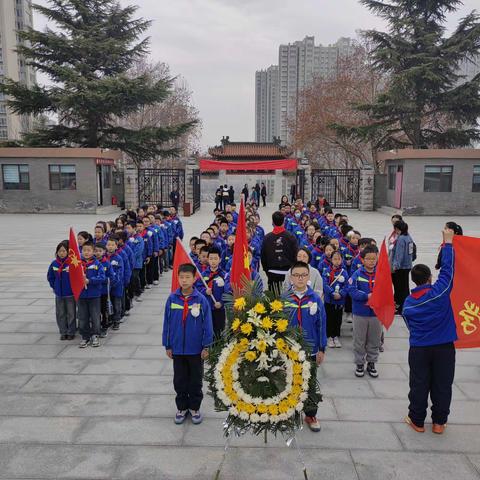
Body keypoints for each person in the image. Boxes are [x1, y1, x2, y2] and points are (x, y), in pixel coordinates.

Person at [403, 228, 456, 435]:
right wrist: (448, 243)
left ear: (414, 281)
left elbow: (409, 325)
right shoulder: (439, 292)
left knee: (419, 384)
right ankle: (439, 423)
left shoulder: (408, 304)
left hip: (419, 349)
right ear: (430, 278)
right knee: (442, 384)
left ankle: (416, 420)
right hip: (444, 347)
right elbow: (448, 270)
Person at [162, 263, 213, 425]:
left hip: (196, 350)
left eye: (187, 277)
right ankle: (182, 407)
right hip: (177, 349)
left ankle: (195, 408)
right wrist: (167, 344)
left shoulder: (201, 300)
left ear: (194, 278)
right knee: (180, 379)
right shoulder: (172, 299)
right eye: (181, 277)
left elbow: (207, 324)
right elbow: (167, 323)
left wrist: (206, 345)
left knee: (196, 380)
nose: (184, 281)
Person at [283, 261, 327, 432]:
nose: (300, 278)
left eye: (303, 275)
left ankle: (310, 414)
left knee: (309, 382)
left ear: (308, 276)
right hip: (290, 350)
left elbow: (322, 324)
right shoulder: (285, 298)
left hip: (310, 349)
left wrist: (322, 348)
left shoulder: (315, 298)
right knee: (290, 380)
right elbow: (279, 325)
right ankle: (291, 413)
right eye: (296, 275)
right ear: (291, 277)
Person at [348, 245, 382, 378]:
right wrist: (366, 296)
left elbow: (386, 291)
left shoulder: (380, 274)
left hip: (376, 314)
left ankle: (372, 363)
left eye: (374, 259)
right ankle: (359, 363)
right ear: (362, 260)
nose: (372, 261)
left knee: (375, 339)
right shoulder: (357, 274)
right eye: (368, 259)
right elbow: (351, 290)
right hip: (360, 313)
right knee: (359, 340)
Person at [261, 211, 298, 296]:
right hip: (288, 272)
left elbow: (263, 257)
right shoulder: (291, 237)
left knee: (274, 302)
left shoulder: (267, 238)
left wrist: (267, 271)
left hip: (272, 274)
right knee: (288, 299)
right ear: (284, 221)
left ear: (272, 222)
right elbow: (295, 255)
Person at [77, 241, 105, 348]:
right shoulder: (78, 264)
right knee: (82, 317)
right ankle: (85, 336)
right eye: (84, 250)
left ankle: (95, 335)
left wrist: (90, 280)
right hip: (82, 295)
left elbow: (102, 277)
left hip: (94, 295)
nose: (86, 253)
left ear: (93, 251)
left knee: (95, 316)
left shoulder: (97, 264)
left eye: (89, 250)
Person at [47, 240, 76, 340]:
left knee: (71, 314)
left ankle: (71, 331)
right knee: (60, 313)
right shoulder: (54, 264)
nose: (62, 253)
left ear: (68, 252)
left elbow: (76, 277)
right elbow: (50, 277)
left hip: (70, 294)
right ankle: (63, 332)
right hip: (59, 294)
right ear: (57, 252)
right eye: (60, 251)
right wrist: (55, 286)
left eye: (64, 251)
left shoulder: (72, 263)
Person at [197, 247, 226, 338]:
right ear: (208, 260)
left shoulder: (224, 275)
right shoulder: (203, 275)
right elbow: (197, 288)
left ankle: (218, 349)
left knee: (219, 331)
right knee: (207, 329)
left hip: (218, 309)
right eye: (211, 258)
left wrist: (221, 303)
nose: (213, 261)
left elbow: (227, 292)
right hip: (206, 307)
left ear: (220, 260)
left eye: (215, 259)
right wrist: (205, 291)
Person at [322, 250, 349, 348]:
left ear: (342, 260)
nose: (337, 261)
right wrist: (332, 293)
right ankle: (329, 336)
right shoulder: (326, 271)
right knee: (329, 318)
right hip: (329, 300)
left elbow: (347, 285)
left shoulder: (344, 272)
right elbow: (324, 284)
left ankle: (336, 336)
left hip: (340, 300)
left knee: (338, 319)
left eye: (339, 259)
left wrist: (341, 294)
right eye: (335, 259)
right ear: (331, 259)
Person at [390, 220, 414, 313]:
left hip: (400, 267)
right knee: (405, 287)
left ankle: (399, 307)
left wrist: (395, 265)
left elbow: (399, 254)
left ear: (397, 228)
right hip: (407, 265)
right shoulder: (408, 237)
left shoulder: (401, 239)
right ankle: (405, 305)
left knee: (399, 288)